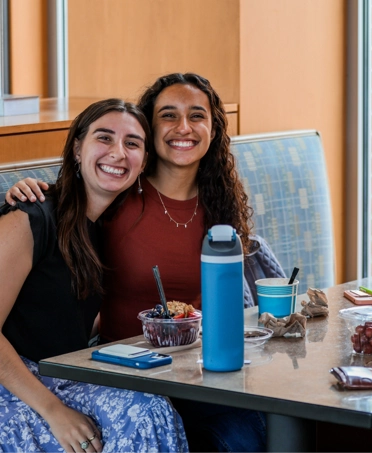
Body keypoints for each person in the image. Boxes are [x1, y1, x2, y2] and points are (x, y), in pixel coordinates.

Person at [6, 73, 275, 453]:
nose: (184, 127)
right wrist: (25, 190)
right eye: (168, 115)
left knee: (262, 429)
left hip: (195, 372)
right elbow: (66, 206)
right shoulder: (100, 199)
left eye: (197, 115)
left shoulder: (217, 206)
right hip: (112, 373)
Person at [0, 99, 189, 452]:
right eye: (104, 138)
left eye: (132, 143)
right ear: (77, 148)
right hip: (14, 383)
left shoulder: (110, 228)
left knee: (150, 411)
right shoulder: (32, 217)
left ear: (143, 161)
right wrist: (54, 411)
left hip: (62, 373)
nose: (118, 153)